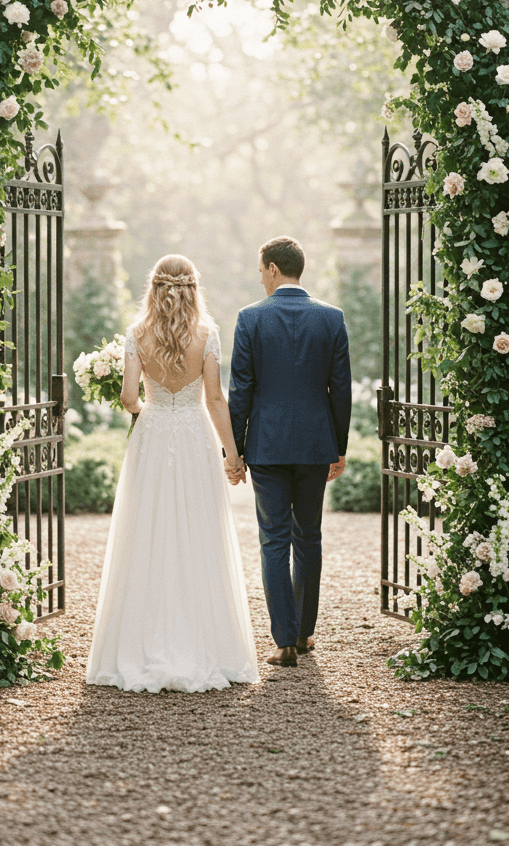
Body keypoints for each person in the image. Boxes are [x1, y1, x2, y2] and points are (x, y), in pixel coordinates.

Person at [85, 253, 259, 693]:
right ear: (193, 288)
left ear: (155, 288)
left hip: (154, 434)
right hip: (196, 435)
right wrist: (233, 455)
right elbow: (217, 401)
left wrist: (150, 410)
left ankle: (143, 643)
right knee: (199, 532)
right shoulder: (208, 334)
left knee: (147, 531)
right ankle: (205, 644)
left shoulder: (137, 334)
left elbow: (128, 397)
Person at [228, 236, 351, 667]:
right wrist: (339, 447)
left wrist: (236, 450)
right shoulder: (332, 318)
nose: (259, 277)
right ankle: (303, 633)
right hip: (316, 444)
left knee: (274, 541)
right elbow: (341, 391)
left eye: (261, 269)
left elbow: (241, 389)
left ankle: (283, 642)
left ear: (275, 269)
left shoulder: (250, 319)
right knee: (309, 536)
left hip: (267, 445)